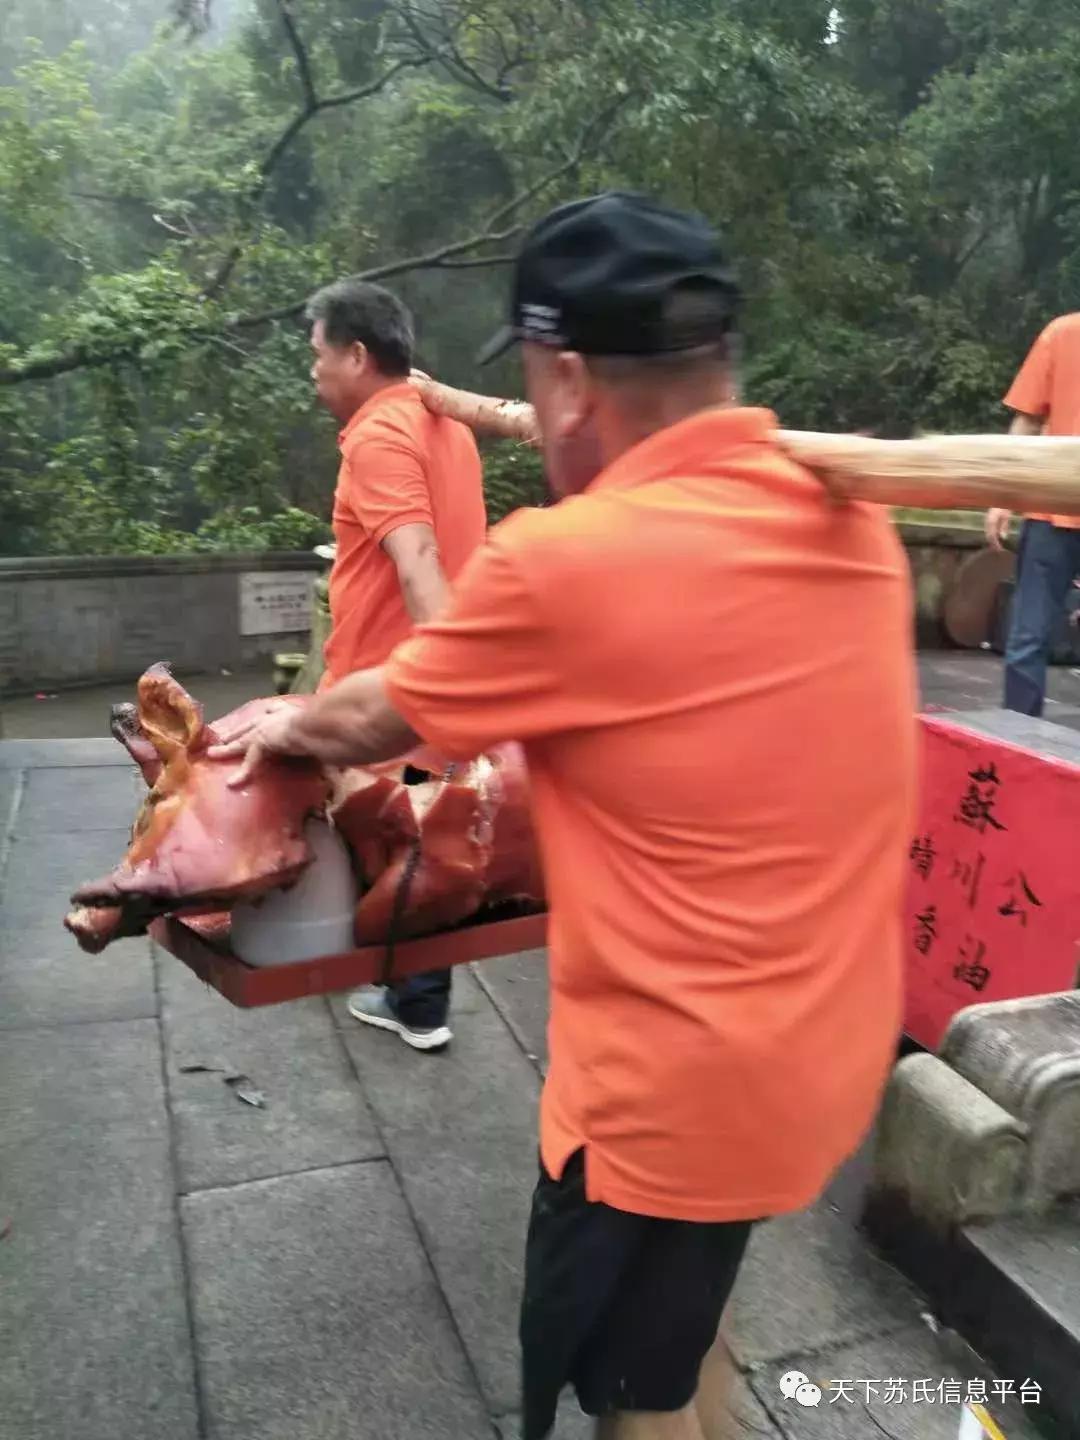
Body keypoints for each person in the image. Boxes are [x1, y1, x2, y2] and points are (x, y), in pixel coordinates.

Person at [212, 192, 916, 1440]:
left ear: (573, 379)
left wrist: (281, 723)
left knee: (630, 1407)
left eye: (535, 385)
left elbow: (371, 721)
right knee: (691, 1342)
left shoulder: (574, 558)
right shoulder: (853, 525)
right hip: (822, 1052)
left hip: (666, 1097)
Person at [307, 277, 487, 1050]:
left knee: (396, 833)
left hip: (394, 692)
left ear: (355, 353)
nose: (311, 371)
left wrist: (441, 686)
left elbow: (417, 563)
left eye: (317, 355)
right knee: (423, 830)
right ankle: (410, 988)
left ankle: (414, 1000)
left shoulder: (381, 437)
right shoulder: (446, 424)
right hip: (427, 687)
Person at [986, 312, 1080, 715]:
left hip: (1052, 516)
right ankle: (1018, 746)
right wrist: (1002, 494)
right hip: (1050, 515)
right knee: (1028, 638)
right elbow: (1026, 418)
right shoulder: (1062, 334)